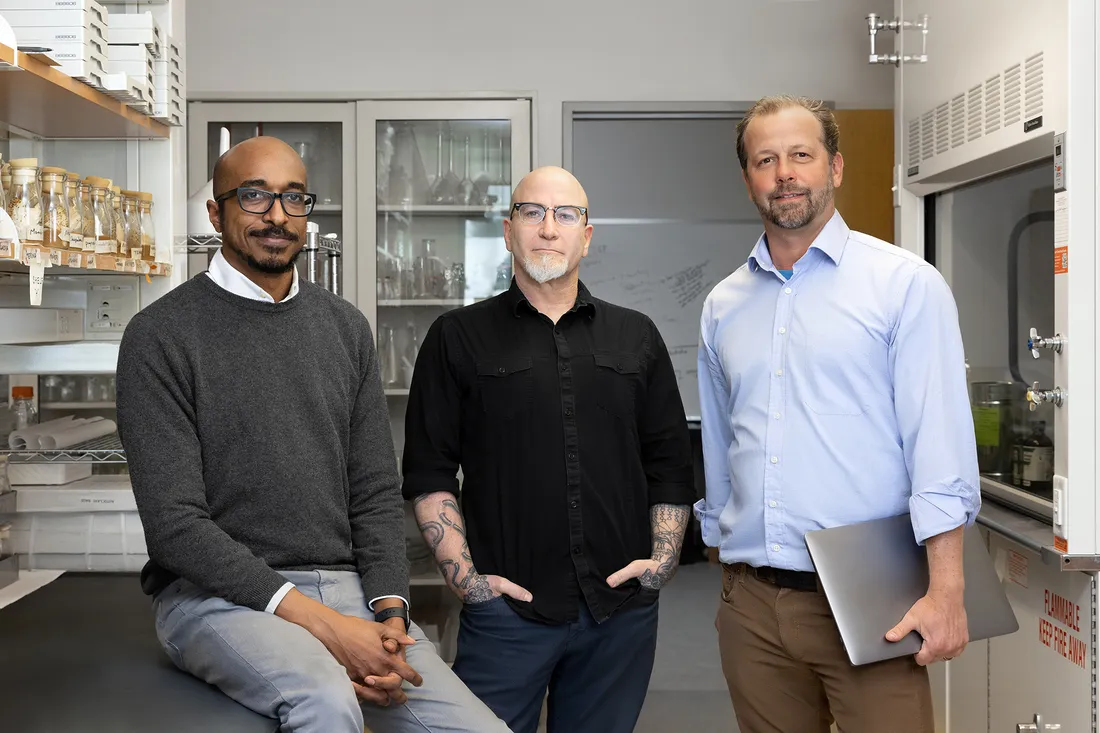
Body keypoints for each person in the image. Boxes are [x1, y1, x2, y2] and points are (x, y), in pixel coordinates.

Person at [115, 136, 510, 733]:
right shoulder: (160, 336)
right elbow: (175, 529)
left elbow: (374, 490)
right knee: (325, 699)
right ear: (216, 212)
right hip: (215, 600)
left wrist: (391, 619)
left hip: (348, 590)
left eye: (293, 198)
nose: (277, 215)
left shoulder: (344, 328)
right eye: (255, 197)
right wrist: (327, 631)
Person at [694, 95, 980, 733]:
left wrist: (947, 589)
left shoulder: (905, 286)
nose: (785, 173)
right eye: (766, 160)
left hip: (873, 596)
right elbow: (720, 443)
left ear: (836, 167)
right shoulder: (723, 305)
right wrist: (720, 556)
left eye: (802, 154)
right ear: (748, 179)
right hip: (753, 605)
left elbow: (937, 444)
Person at [401, 166, 696, 733]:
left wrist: (660, 565)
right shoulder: (456, 337)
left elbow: (670, 466)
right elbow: (430, 472)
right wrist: (468, 582)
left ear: (587, 234)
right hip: (507, 613)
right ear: (509, 230)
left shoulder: (636, 335)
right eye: (533, 213)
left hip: (620, 612)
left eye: (566, 215)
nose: (548, 228)